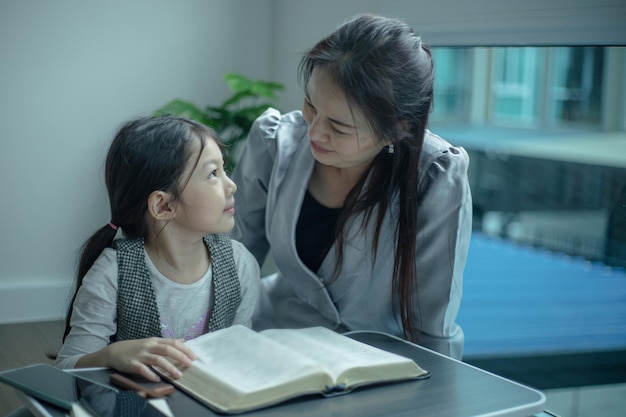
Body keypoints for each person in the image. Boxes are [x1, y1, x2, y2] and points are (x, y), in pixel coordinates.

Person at [231, 13, 472, 359]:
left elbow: (432, 329)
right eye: (310, 106)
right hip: (271, 346)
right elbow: (228, 268)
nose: (313, 133)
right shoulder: (274, 142)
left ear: (397, 129)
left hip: (375, 365)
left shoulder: (435, 177)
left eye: (340, 128)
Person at [54, 115, 260, 381]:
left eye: (224, 169)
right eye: (213, 174)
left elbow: (240, 353)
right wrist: (111, 355)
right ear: (163, 206)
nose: (231, 185)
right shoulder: (112, 274)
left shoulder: (240, 264)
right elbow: (63, 368)